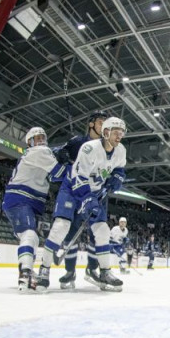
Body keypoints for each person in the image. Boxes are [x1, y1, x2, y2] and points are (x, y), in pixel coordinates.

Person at [37, 117, 127, 292]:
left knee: (102, 230)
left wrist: (118, 176)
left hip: (95, 191)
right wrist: (87, 199)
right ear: (106, 132)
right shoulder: (89, 148)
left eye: (121, 133)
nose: (119, 137)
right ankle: (44, 270)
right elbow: (79, 177)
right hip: (72, 189)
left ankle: (105, 272)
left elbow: (119, 168)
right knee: (61, 227)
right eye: (116, 132)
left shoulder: (121, 150)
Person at [1, 127, 68, 292]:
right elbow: (60, 174)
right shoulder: (39, 152)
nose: (40, 141)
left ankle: (26, 270)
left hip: (29, 201)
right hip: (21, 198)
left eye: (42, 138)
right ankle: (24, 273)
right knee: (29, 234)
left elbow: (52, 176)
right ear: (29, 143)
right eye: (36, 138)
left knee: (32, 238)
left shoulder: (41, 154)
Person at [50, 111, 108, 289]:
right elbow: (57, 153)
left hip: (97, 194)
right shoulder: (77, 142)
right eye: (100, 122)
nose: (104, 126)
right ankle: (70, 272)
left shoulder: (107, 146)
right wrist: (61, 155)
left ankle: (92, 270)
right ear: (91, 124)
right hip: (77, 193)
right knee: (70, 233)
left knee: (96, 234)